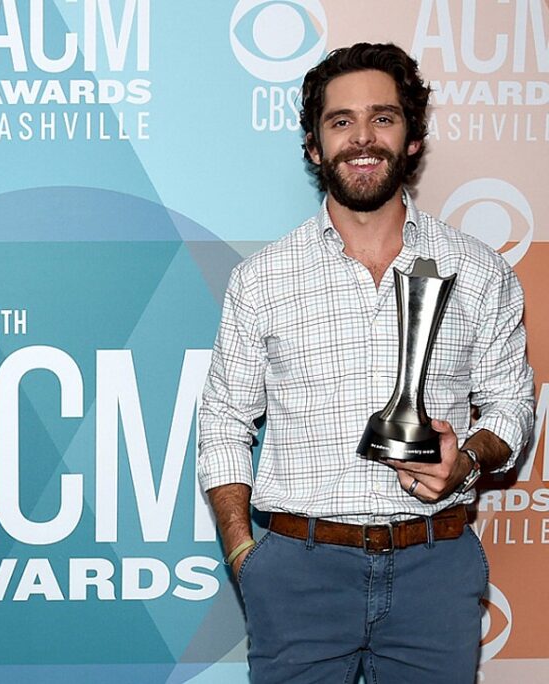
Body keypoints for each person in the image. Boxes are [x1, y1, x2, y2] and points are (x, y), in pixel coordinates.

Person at [197, 43, 533, 684]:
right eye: (341, 121)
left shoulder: (479, 270)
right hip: (299, 574)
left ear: (412, 138)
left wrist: (466, 461)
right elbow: (223, 421)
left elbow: (512, 405)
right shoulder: (263, 278)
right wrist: (244, 553)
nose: (362, 138)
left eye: (383, 118)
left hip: (435, 570)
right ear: (314, 145)